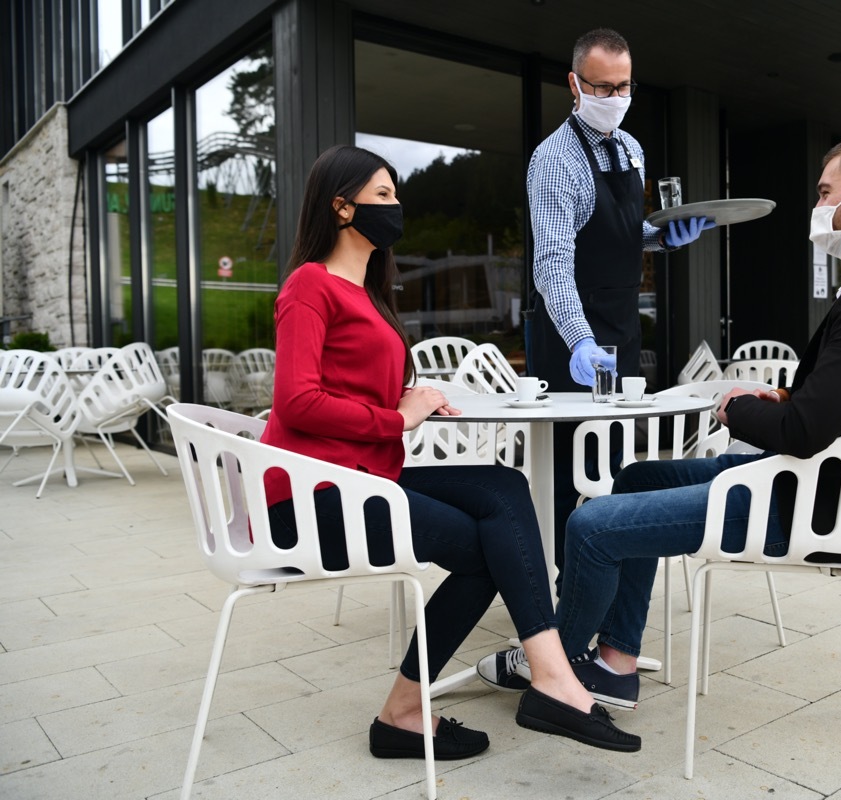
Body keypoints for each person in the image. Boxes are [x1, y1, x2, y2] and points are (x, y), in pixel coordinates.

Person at [480, 131, 841, 710]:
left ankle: (554, 668)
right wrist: (779, 397)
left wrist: (736, 407)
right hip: (808, 480)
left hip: (812, 504)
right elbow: (834, 407)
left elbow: (803, 433)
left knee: (590, 524)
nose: (819, 207)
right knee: (634, 480)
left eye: (826, 193)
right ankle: (616, 661)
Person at [261, 144, 639, 759]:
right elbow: (298, 400)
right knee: (493, 550)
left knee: (503, 487)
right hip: (314, 497)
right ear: (341, 208)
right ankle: (511, 689)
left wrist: (412, 393)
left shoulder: (368, 292)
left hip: (364, 478)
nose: (395, 206)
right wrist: (397, 415)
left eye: (394, 194)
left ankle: (526, 681)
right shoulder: (310, 284)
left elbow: (343, 382)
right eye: (382, 196)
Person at [524, 27, 715, 575]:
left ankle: (600, 577)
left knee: (612, 458)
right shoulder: (553, 160)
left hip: (622, 323)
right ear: (574, 84)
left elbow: (619, 232)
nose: (615, 100)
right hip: (569, 334)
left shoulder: (631, 148)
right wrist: (579, 340)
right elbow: (552, 263)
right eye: (602, 88)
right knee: (565, 468)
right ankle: (560, 593)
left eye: (624, 87)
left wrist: (662, 237)